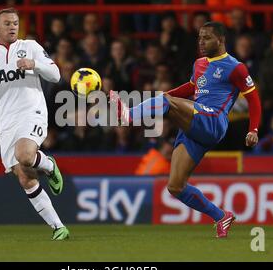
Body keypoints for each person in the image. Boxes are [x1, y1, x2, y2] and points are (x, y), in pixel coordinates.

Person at [110, 22, 261, 238]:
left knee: (166, 101)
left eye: (207, 38)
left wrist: (253, 129)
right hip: (195, 126)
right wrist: (165, 97)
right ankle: (221, 216)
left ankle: (129, 115)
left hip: (213, 120)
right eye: (199, 37)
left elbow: (254, 100)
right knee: (175, 187)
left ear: (220, 40)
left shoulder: (236, 67)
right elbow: (191, 88)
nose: (201, 42)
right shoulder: (199, 64)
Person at [0, 8, 69, 240]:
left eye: (15, 23)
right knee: (25, 177)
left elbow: (55, 75)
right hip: (6, 123)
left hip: (32, 113)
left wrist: (34, 64)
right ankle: (58, 227)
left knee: (25, 155)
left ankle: (50, 166)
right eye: (7, 23)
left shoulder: (31, 47)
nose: (12, 27)